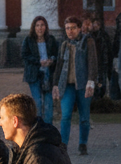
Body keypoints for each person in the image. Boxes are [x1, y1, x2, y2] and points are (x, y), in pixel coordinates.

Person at [52, 15, 97, 155]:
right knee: (65, 116)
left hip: (83, 84)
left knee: (84, 117)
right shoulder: (64, 44)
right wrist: (55, 84)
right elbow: (59, 65)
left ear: (79, 29)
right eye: (67, 28)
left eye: (72, 28)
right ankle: (63, 144)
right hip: (67, 85)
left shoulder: (87, 42)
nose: (70, 31)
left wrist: (91, 82)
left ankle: (83, 143)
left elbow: (92, 62)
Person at [21, 16, 57, 126]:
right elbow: (24, 56)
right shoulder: (28, 40)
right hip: (34, 75)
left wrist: (51, 60)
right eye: (37, 25)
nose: (40, 28)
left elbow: (57, 54)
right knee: (37, 103)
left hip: (48, 75)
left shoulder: (51, 39)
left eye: (42, 25)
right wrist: (38, 62)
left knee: (48, 105)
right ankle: (38, 130)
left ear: (45, 27)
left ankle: (48, 131)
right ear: (34, 27)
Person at [91, 18, 112, 98]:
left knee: (101, 85)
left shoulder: (104, 36)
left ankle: (100, 100)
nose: (95, 26)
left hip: (101, 65)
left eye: (97, 24)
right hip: (95, 64)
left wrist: (107, 64)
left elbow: (107, 51)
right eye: (94, 24)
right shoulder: (89, 37)